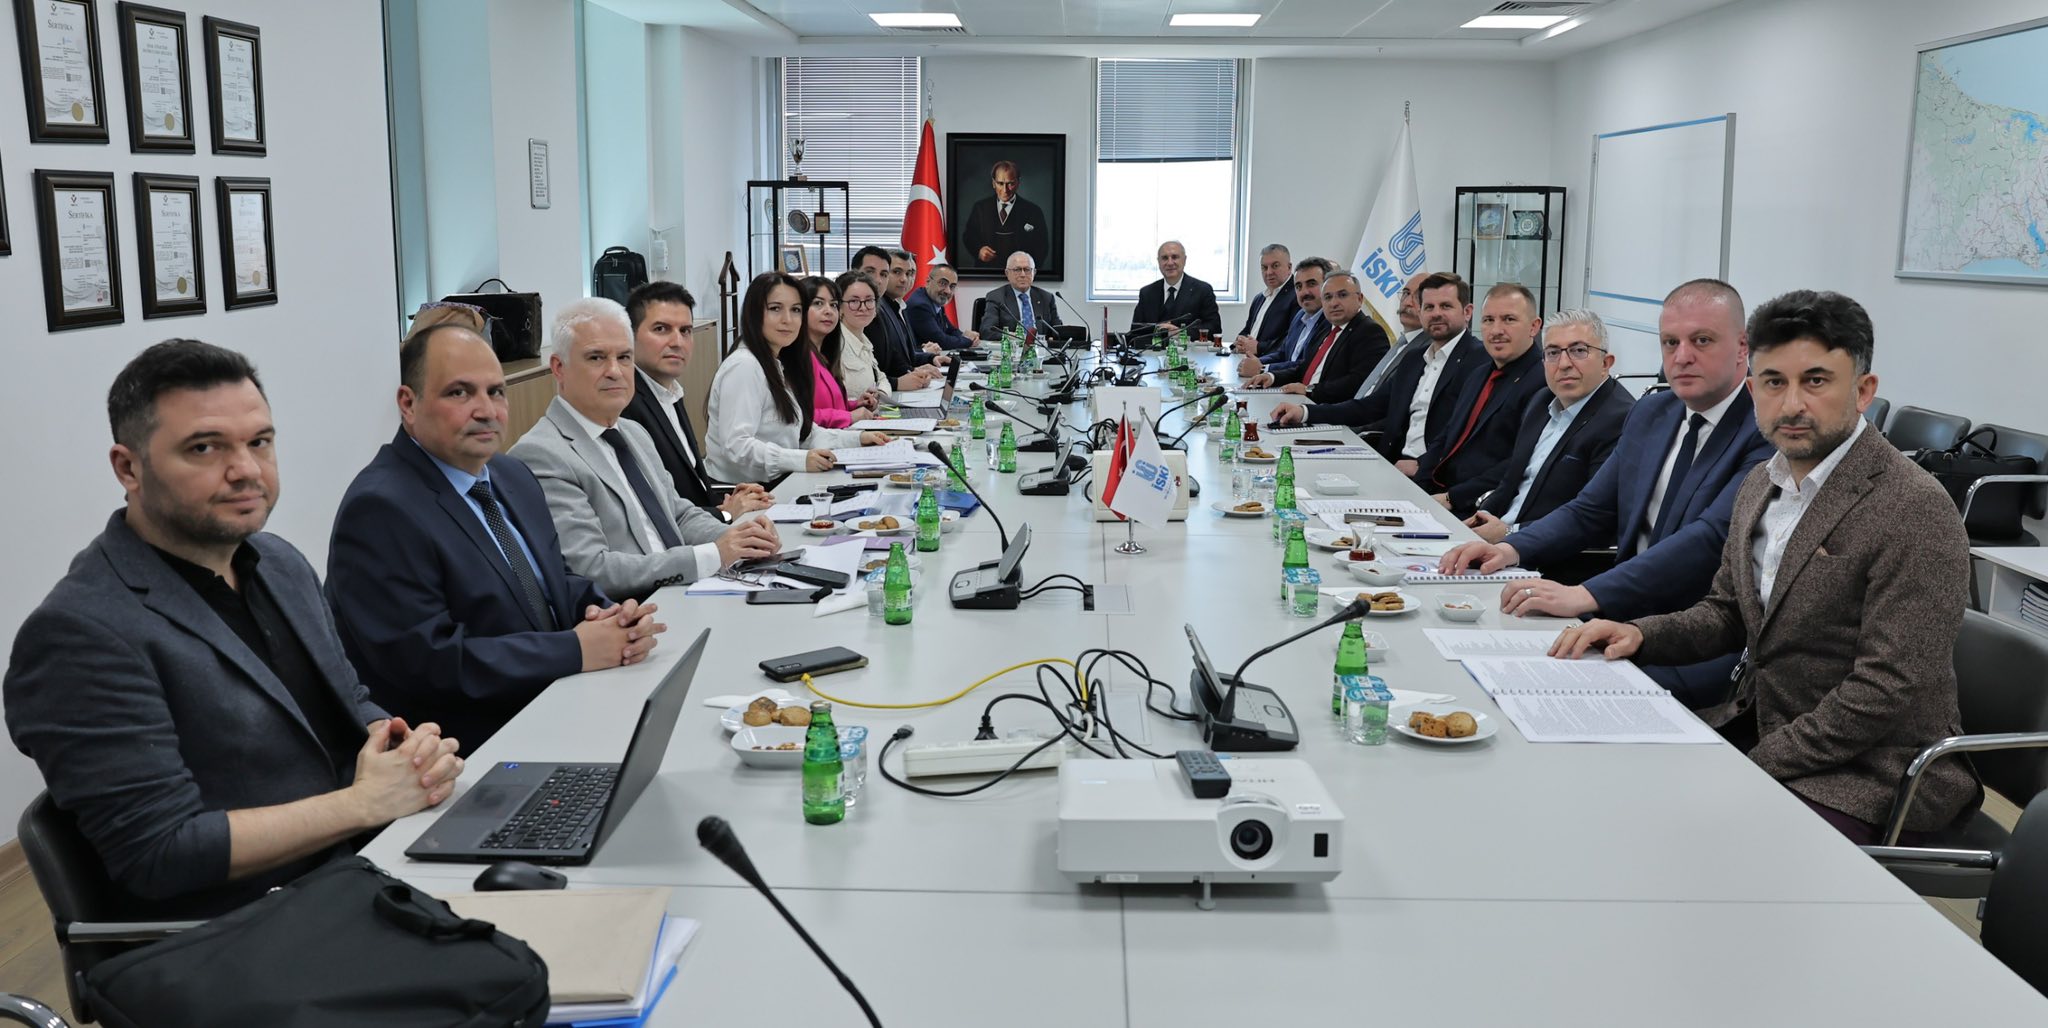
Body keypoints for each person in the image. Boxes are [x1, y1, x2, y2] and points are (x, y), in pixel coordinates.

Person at [4, 339, 463, 918]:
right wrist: (364, 803)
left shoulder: (279, 563)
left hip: (375, 863)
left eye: (259, 442)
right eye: (204, 448)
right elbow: (160, 853)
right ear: (128, 468)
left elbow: (350, 701)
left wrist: (403, 747)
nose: (245, 470)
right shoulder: (79, 634)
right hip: (251, 926)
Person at [1553, 290, 1980, 845]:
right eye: (1775, 382)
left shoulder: (1913, 508)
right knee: (1606, 792)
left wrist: (1754, 762)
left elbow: (1884, 689)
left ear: (1863, 391)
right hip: (1765, 728)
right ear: (1754, 390)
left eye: (1816, 381)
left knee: (1695, 840)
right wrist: (1639, 634)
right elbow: (1728, 612)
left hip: (1873, 772)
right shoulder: (1763, 484)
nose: (1792, 404)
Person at [328, 324, 666, 753]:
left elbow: (555, 581)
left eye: (496, 392)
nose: (486, 410)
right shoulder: (381, 509)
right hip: (469, 748)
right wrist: (575, 650)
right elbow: (431, 663)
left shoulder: (511, 474)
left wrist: (611, 616)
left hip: (560, 705)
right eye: (459, 393)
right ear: (408, 404)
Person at [1436, 279, 1775, 705]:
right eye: (1670, 342)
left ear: (1743, 347)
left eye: (1702, 340)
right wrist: (1509, 550)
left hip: (1696, 638)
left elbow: (1708, 540)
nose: (1682, 356)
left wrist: (1585, 594)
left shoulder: (1765, 431)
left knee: (1543, 694)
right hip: (1620, 613)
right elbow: (1590, 509)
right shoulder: (1653, 412)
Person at [511, 298, 785, 600]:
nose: (615, 371)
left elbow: (678, 515)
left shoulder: (633, 433)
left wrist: (740, 537)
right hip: (636, 611)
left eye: (624, 357)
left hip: (687, 590)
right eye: (596, 357)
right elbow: (592, 569)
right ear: (559, 368)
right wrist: (712, 555)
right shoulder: (542, 454)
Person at [1269, 272, 1486, 477]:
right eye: (1429, 307)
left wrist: (1423, 465)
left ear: (1467, 312)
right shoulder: (1414, 359)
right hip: (1392, 464)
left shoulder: (1480, 361)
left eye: (1446, 306)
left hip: (1433, 475)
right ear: (1421, 312)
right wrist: (1305, 412)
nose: (1436, 313)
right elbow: (1369, 407)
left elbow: (1469, 433)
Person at [1455, 309, 1635, 538]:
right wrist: (1483, 516)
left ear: (1606, 363)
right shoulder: (1541, 401)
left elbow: (1595, 516)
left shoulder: (1621, 420)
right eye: (1553, 353)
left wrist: (1509, 533)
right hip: (1497, 536)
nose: (1564, 363)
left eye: (1579, 351)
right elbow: (1511, 480)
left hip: (1546, 549)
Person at [705, 272, 892, 481]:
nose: (788, 320)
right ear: (754, 313)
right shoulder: (745, 365)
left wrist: (858, 439)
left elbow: (803, 433)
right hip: (744, 491)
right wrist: (800, 459)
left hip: (776, 482)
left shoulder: (777, 363)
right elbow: (736, 445)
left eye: (795, 310)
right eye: (775, 308)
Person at [618, 281, 774, 518]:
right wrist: (725, 513)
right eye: (661, 329)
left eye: (685, 331)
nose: (677, 342)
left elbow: (691, 486)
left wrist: (731, 497)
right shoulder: (625, 405)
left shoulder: (669, 392)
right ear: (630, 336)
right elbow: (648, 510)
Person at [1413, 283, 1551, 496]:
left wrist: (1452, 498)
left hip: (1476, 502)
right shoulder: (1478, 374)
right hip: (1437, 492)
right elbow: (1447, 436)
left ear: (1534, 327)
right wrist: (1419, 488)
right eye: (1488, 320)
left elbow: (1519, 462)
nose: (1496, 331)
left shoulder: (1543, 382)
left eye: (1509, 319)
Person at [1241, 271, 1391, 404]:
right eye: (1328, 297)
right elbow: (1303, 368)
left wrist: (1309, 390)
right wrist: (1271, 377)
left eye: (1342, 295)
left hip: (1330, 413)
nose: (1334, 303)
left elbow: (1358, 383)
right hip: (1301, 402)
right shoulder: (1326, 329)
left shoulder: (1370, 331)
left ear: (1359, 299)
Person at [836, 269, 941, 396]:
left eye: (869, 300)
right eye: (854, 301)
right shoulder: (835, 345)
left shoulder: (864, 341)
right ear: (839, 307)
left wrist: (879, 394)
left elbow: (881, 379)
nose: (863, 307)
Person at [1234, 257, 1332, 379]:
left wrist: (1263, 368)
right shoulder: (1300, 316)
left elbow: (1306, 365)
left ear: (1328, 287)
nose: (1304, 292)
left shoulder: (1331, 322)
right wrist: (1255, 362)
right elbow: (1283, 353)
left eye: (1311, 284)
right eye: (1298, 286)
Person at [796, 275, 874, 429]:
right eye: (818, 303)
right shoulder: (799, 357)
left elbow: (827, 406)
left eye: (833, 305)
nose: (829, 311)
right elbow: (799, 417)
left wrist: (854, 405)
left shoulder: (824, 354)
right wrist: (849, 416)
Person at [858, 245, 945, 381]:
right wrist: (906, 376)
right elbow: (880, 366)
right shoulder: (873, 309)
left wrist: (930, 358)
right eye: (897, 272)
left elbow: (902, 357)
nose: (904, 279)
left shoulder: (898, 305)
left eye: (910, 273)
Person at [959, 159, 1050, 270]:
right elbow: (969, 236)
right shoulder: (980, 208)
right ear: (993, 183)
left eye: (1010, 183)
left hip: (1019, 274)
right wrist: (979, 250)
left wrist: (1026, 271)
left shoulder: (1033, 211)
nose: (1005, 190)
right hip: (986, 272)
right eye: (1000, 183)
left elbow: (1042, 246)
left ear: (1018, 183)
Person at [1355, 269, 1432, 398]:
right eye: (1406, 293)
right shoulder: (1401, 343)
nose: (1407, 302)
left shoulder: (1429, 349)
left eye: (1418, 296)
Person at [1130, 240, 1223, 340]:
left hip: (1188, 349)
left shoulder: (1202, 290)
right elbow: (1135, 331)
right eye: (1165, 258)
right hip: (1152, 349)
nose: (1170, 263)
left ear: (1184, 260)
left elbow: (1214, 328)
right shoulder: (1147, 293)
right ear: (1159, 262)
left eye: (1174, 257)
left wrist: (1180, 333)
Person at [1230, 243, 1301, 358]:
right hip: (1245, 359)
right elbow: (1248, 329)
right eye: (1264, 267)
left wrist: (1259, 347)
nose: (1269, 272)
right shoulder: (1259, 298)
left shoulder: (1297, 297)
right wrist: (1239, 342)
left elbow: (1292, 340)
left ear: (1289, 267)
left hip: (1269, 364)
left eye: (1275, 266)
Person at [979, 251, 1063, 337]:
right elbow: (987, 330)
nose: (1023, 275)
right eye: (1017, 270)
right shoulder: (996, 297)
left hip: (1040, 345)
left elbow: (1058, 331)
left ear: (1034, 273)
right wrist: (1011, 336)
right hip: (1012, 344)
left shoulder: (1046, 298)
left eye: (1027, 270)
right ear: (1007, 273)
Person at [903, 262, 979, 351]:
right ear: (928, 282)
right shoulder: (920, 306)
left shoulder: (934, 301)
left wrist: (965, 335)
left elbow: (950, 330)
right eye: (943, 283)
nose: (948, 291)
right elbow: (942, 342)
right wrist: (968, 340)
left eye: (952, 286)